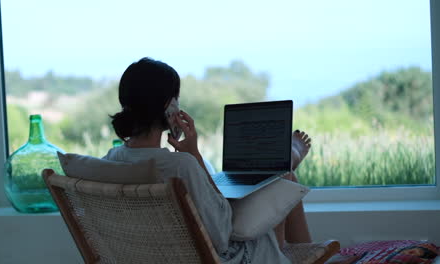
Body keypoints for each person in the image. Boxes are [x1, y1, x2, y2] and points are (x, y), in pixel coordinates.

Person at [103, 57, 313, 264]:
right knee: (285, 181)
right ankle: (282, 168)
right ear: (169, 106)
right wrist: (194, 155)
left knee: (281, 181)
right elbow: (221, 234)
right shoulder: (181, 165)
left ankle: (281, 170)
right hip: (222, 257)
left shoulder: (109, 161)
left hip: (150, 256)